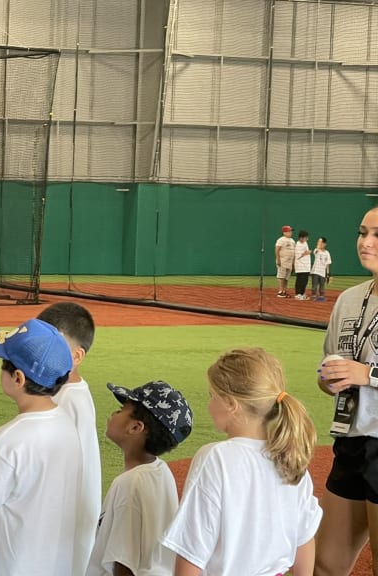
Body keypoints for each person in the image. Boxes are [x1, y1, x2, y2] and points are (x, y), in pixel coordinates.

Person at [162, 348, 320, 575]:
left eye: (212, 396)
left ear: (231, 404)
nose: (209, 404)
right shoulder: (292, 458)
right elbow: (304, 540)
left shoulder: (215, 457)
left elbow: (191, 552)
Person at [0, 318, 80, 574]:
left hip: (7, 565)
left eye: (3, 365)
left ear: (18, 378)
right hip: (52, 564)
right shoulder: (67, 423)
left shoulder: (7, 439)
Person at [315, 206, 378, 574]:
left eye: (377, 235)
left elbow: (362, 372)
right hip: (351, 442)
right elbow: (331, 369)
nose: (366, 242)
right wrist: (329, 380)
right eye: (362, 232)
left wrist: (366, 374)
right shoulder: (350, 299)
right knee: (325, 564)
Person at [86, 380, 192, 576]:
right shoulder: (160, 470)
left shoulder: (129, 484)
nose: (114, 413)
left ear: (135, 428)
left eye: (121, 409)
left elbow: (124, 563)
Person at [37, 301, 100, 572]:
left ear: (77, 356)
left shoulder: (69, 400)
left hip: (62, 525)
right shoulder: (66, 393)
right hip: (65, 521)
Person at [275, 225, 295, 298]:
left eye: (291, 231)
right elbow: (277, 250)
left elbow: (293, 252)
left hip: (289, 262)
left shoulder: (292, 241)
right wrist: (278, 260)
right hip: (282, 261)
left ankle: (284, 291)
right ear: (284, 232)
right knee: (281, 276)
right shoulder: (281, 240)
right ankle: (280, 291)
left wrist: (293, 263)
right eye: (289, 231)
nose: (291, 232)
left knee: (286, 277)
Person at [312, 236, 332, 302]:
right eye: (319, 243)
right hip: (315, 271)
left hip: (323, 272)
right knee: (314, 285)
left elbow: (327, 264)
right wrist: (319, 242)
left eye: (322, 243)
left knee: (322, 286)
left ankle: (321, 297)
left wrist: (328, 274)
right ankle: (314, 296)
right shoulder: (316, 251)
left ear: (325, 244)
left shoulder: (327, 253)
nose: (321, 244)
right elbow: (316, 250)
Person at [294, 230, 312, 300]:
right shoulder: (298, 244)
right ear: (301, 238)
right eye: (305, 237)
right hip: (300, 266)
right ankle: (298, 294)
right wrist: (306, 253)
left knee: (305, 281)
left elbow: (305, 252)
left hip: (306, 266)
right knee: (300, 280)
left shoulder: (305, 243)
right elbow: (298, 256)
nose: (307, 239)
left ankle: (302, 293)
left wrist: (306, 253)